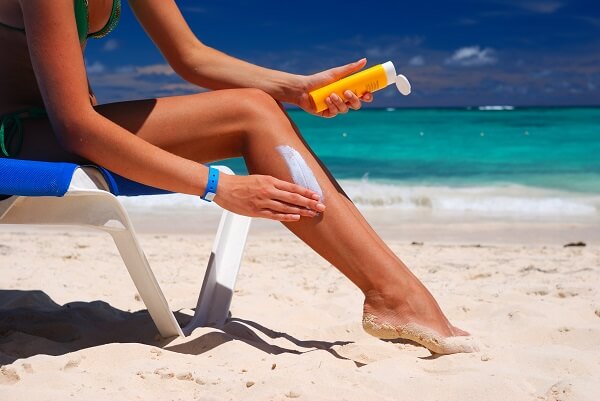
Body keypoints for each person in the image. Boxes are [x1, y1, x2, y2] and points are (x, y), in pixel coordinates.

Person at [0, 0, 475, 354]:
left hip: (58, 127)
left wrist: (296, 88)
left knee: (255, 109)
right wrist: (216, 185)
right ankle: (395, 296)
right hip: (17, 139)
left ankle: (395, 295)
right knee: (249, 111)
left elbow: (191, 56)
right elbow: (76, 125)